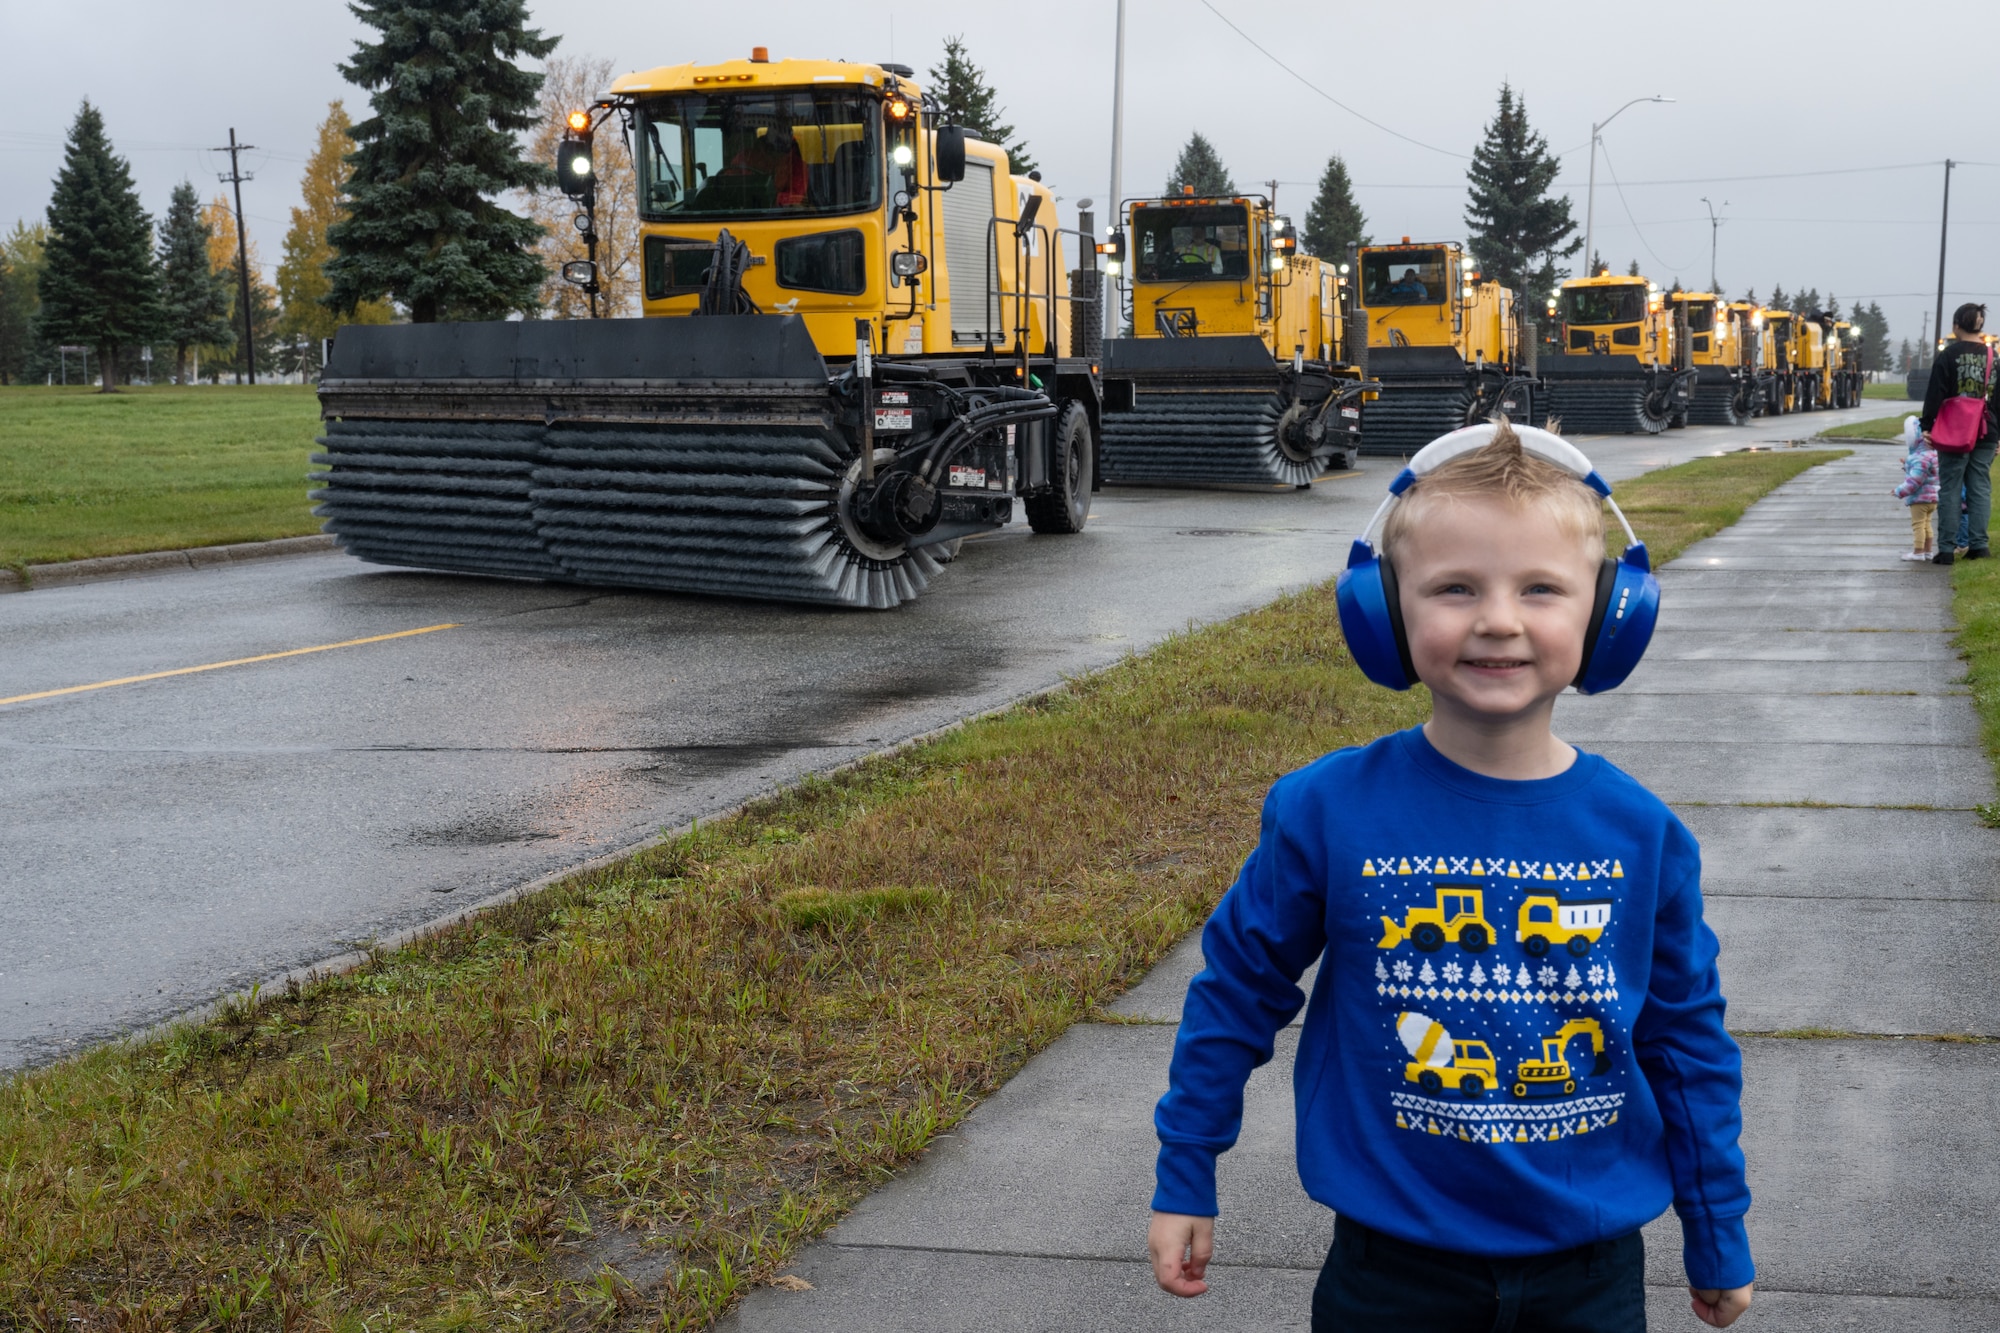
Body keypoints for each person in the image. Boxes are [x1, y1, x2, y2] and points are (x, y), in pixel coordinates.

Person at [1147, 421, 1754, 1331]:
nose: (1499, 619)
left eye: (1542, 588)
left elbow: (1686, 1043)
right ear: (1384, 613)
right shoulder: (1327, 809)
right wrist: (1186, 1167)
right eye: (1455, 588)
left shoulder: (1641, 834)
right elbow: (1237, 990)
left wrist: (1716, 1228)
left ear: (1608, 613)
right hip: (1390, 1271)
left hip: (1587, 1272)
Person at [1918, 302, 2000, 564]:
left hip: (1954, 431)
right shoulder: (1993, 357)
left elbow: (1935, 394)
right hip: (1986, 430)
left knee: (1951, 488)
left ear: (1955, 326)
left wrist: (1927, 426)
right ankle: (1979, 546)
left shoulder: (1948, 355)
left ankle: (1946, 550)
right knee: (1979, 486)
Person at [1895, 416, 1940, 561]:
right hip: (1932, 498)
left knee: (1918, 525)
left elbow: (1915, 481)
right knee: (1927, 525)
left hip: (1920, 499)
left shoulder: (1919, 458)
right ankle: (1928, 551)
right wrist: (1906, 465)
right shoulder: (1932, 454)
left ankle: (1918, 552)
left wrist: (1899, 491)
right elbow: (1925, 473)